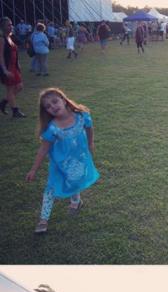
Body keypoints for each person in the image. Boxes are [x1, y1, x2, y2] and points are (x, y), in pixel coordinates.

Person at [25, 88, 99, 234]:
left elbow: (89, 128)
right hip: (60, 163)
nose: (53, 106)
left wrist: (90, 143)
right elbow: (43, 149)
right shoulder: (51, 128)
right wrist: (33, 169)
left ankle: (76, 202)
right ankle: (43, 220)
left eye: (54, 102)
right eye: (48, 106)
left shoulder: (81, 116)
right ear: (46, 111)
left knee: (74, 179)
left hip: (78, 157)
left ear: (63, 101)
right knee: (51, 189)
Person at [0, 18, 27, 118]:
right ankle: (15, 111)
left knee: (20, 87)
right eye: (7, 25)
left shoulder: (10, 37)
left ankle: (3, 102)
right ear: (2, 27)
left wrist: (18, 63)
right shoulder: (2, 39)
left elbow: (14, 53)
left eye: (11, 24)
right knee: (10, 90)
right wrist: (4, 70)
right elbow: (1, 56)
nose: (10, 26)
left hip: (14, 66)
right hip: (7, 67)